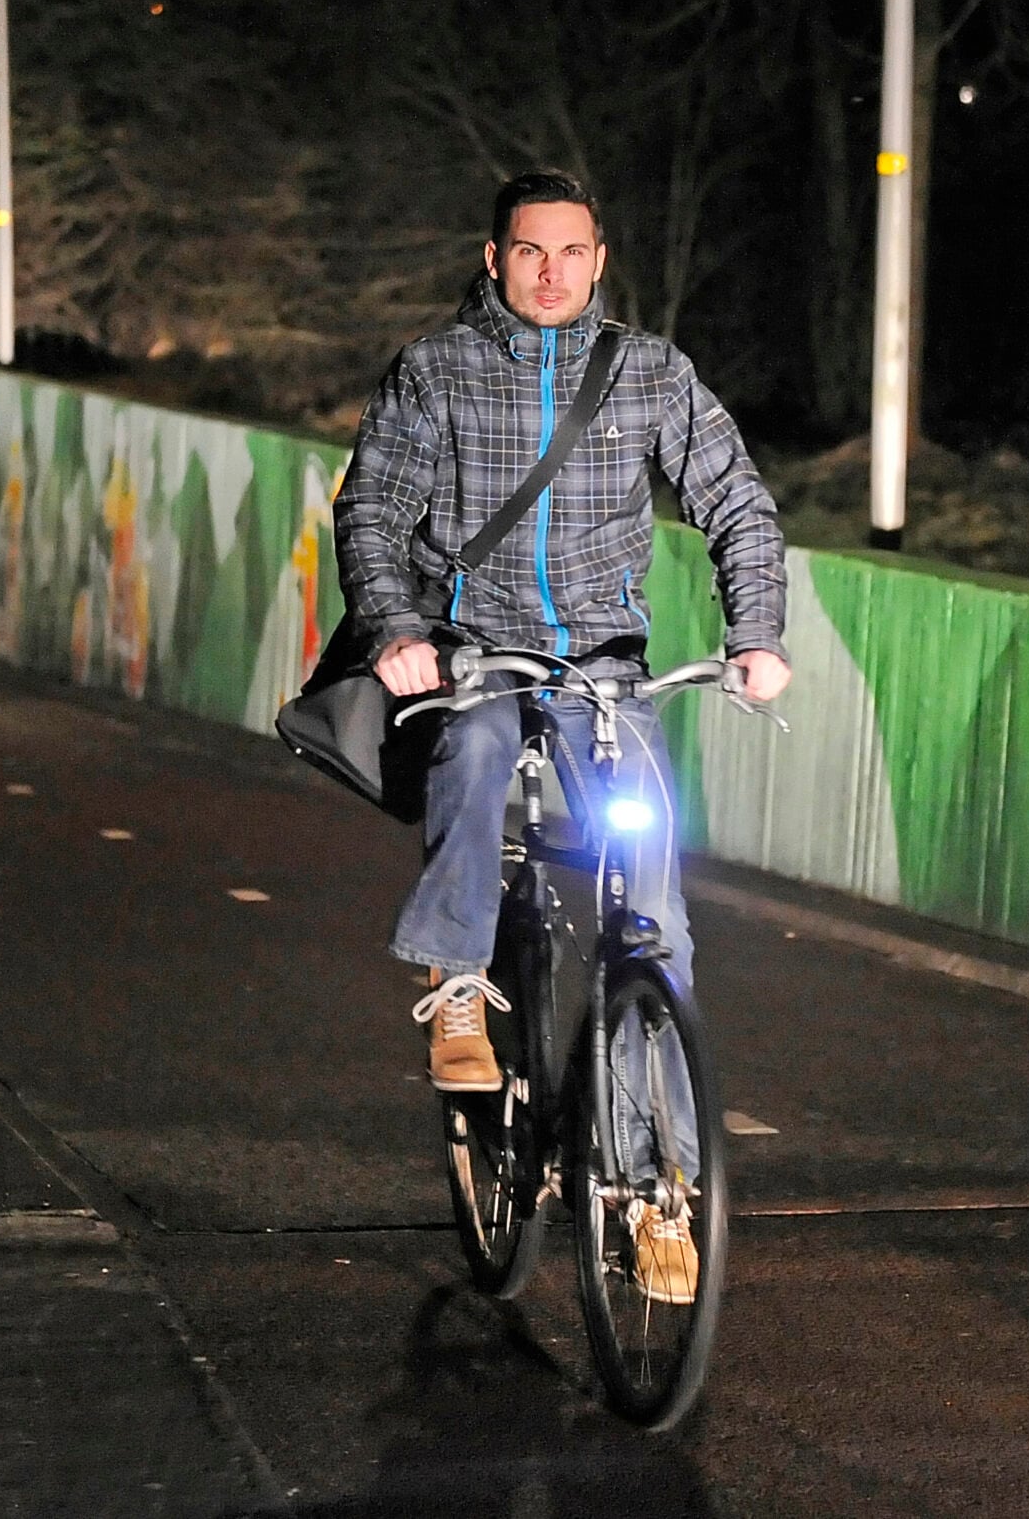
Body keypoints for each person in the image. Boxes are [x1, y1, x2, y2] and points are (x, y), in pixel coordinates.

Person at [332, 169, 790, 1299]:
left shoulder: (648, 373)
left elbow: (735, 500)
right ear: (494, 260)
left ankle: (649, 1192)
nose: (550, 272)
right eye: (527, 252)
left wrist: (756, 633)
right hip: (472, 649)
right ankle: (454, 980)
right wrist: (399, 629)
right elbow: (374, 506)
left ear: (598, 260)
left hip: (602, 672)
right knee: (477, 748)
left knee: (656, 921)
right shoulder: (434, 372)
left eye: (570, 252)